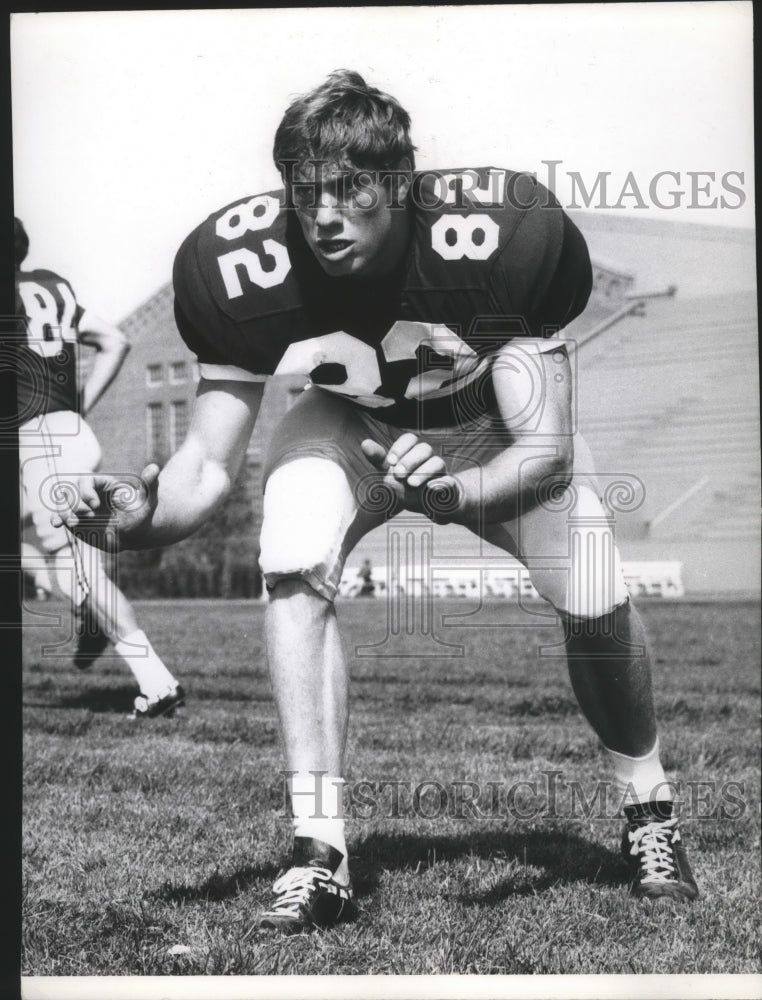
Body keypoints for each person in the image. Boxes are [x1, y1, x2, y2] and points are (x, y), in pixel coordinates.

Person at [58, 70, 698, 928]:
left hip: (488, 429)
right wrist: (142, 524)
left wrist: (456, 492)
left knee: (594, 595)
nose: (323, 215)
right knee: (290, 557)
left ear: (399, 183)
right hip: (347, 425)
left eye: (350, 189)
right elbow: (205, 468)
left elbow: (543, 450)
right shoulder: (239, 262)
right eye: (306, 191)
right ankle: (319, 848)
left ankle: (647, 803)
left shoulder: (500, 234)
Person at [15, 217, 185, 718]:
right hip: (63, 432)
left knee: (77, 569)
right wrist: (76, 406)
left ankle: (155, 681)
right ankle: (89, 612)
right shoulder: (52, 287)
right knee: (27, 542)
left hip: (38, 439)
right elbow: (115, 340)